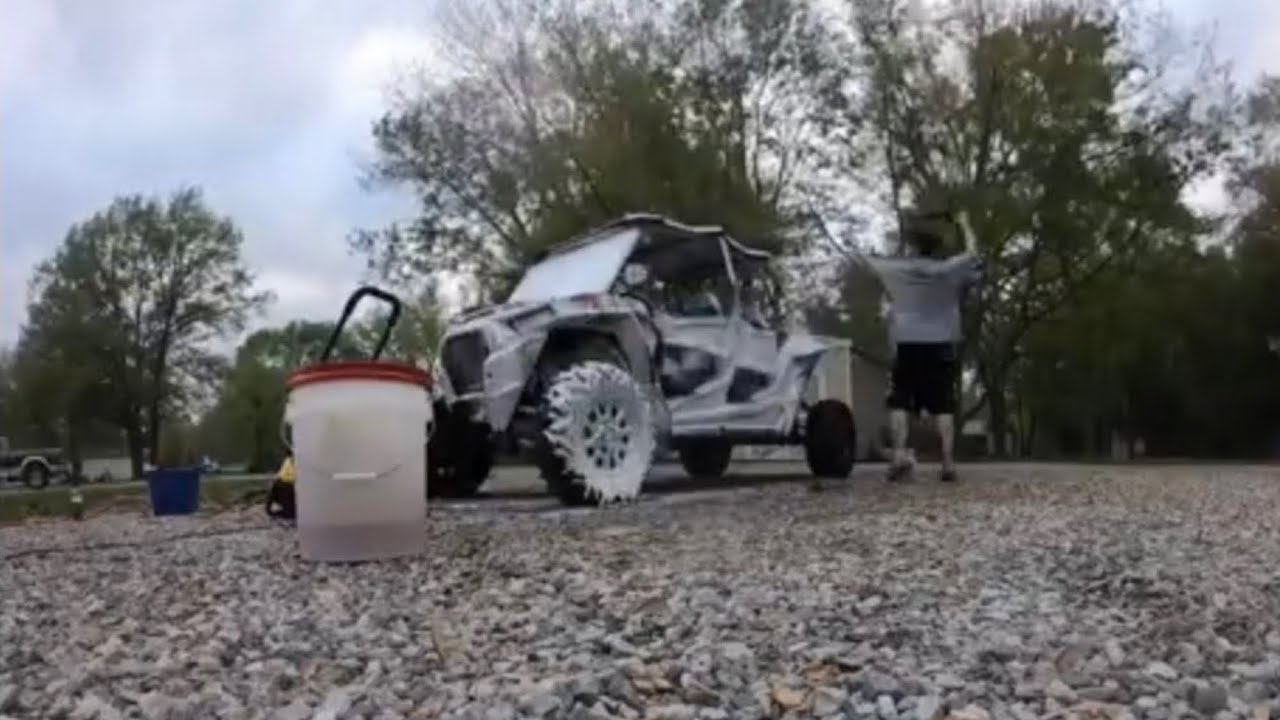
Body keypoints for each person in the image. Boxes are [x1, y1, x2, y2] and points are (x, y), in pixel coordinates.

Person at [852, 208, 982, 482]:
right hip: (941, 342)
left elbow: (865, 259)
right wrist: (965, 224)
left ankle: (899, 455)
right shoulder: (949, 271)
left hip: (908, 342)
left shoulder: (897, 270)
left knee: (901, 400)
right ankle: (947, 462)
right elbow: (973, 253)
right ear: (938, 249)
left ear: (912, 248)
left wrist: (898, 239)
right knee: (943, 404)